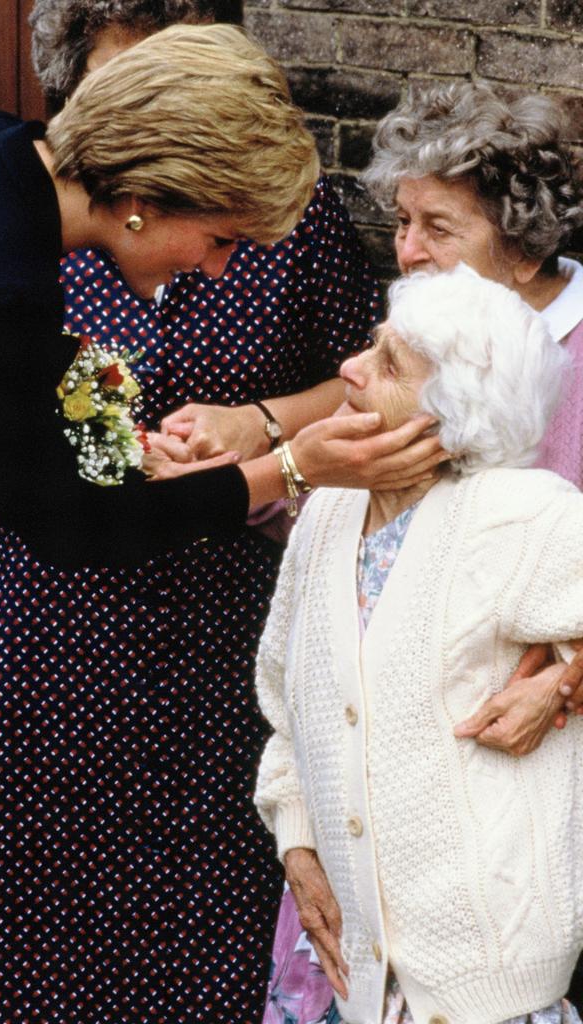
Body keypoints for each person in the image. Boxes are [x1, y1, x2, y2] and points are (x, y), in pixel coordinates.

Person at [0, 23, 449, 1024]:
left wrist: (117, 441)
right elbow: (76, 530)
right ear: (150, 201)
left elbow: (24, 377)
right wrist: (287, 464)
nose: (212, 270)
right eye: (223, 239)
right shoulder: (2, 267)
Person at [255, 265, 583, 1024]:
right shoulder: (332, 509)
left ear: (455, 409)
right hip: (342, 974)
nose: (351, 369)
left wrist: (565, 679)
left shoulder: (524, 515)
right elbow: (286, 705)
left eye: (388, 364)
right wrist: (298, 845)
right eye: (372, 345)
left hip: (486, 982)